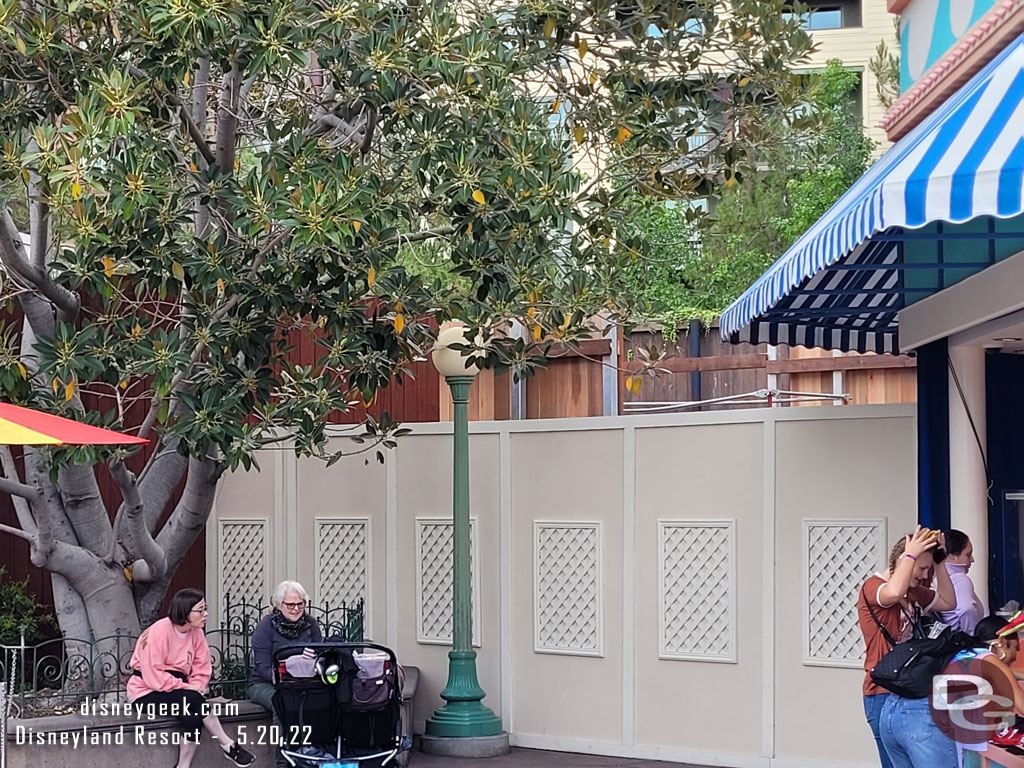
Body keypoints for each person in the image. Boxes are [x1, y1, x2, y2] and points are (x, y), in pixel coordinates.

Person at [858, 527, 957, 768]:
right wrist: (911, 554)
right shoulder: (873, 587)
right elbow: (893, 592)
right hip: (881, 691)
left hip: (908, 690)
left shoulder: (913, 592)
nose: (924, 575)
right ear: (905, 560)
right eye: (922, 568)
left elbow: (948, 602)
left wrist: (940, 564)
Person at [127, 588, 255, 768]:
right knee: (194, 699)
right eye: (200, 610)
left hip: (180, 690)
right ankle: (228, 744)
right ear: (185, 611)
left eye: (205, 608)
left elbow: (201, 666)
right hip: (146, 690)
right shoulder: (160, 631)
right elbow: (153, 675)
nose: (206, 614)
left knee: (193, 717)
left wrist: (196, 685)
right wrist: (188, 688)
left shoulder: (196, 632)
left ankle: (183, 765)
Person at [248, 581, 323, 765]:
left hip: (304, 681)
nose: (296, 609)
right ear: (279, 605)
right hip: (266, 683)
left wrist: (315, 659)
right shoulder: (266, 626)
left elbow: (321, 652)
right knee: (282, 703)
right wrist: (285, 680)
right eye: (290, 605)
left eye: (300, 604)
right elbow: (262, 666)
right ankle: (282, 759)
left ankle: (314, 753)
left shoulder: (310, 624)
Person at [939, 529, 984, 633]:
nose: (972, 559)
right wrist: (972, 638)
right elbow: (967, 609)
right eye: (968, 555)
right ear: (952, 555)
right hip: (959, 641)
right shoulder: (959, 579)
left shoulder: (933, 577)